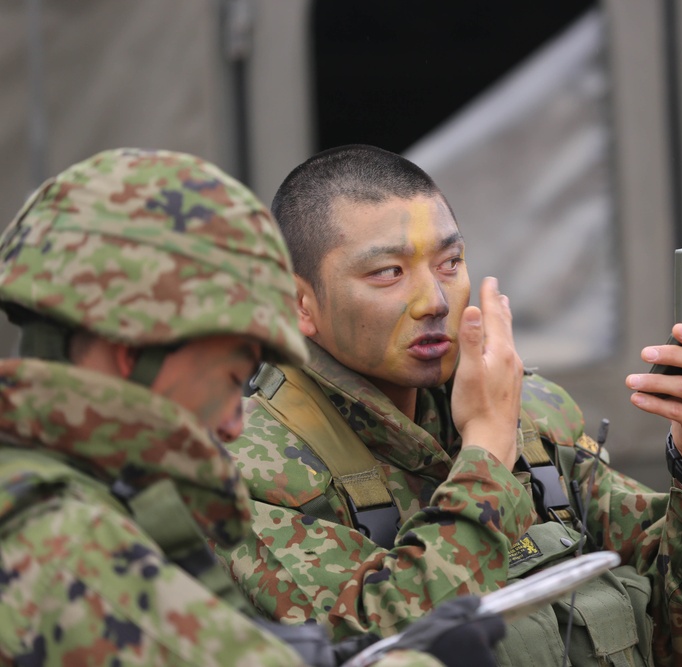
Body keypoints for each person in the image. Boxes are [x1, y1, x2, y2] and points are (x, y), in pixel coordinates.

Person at [216, 144, 682, 666]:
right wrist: (487, 451)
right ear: (298, 304)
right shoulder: (252, 472)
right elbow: (371, 643)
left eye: (450, 263)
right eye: (388, 273)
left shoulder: (531, 418)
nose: (434, 301)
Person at [0, 148, 506, 667]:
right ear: (131, 357)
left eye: (449, 262)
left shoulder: (88, 496)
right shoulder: (54, 538)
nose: (236, 420)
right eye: (228, 376)